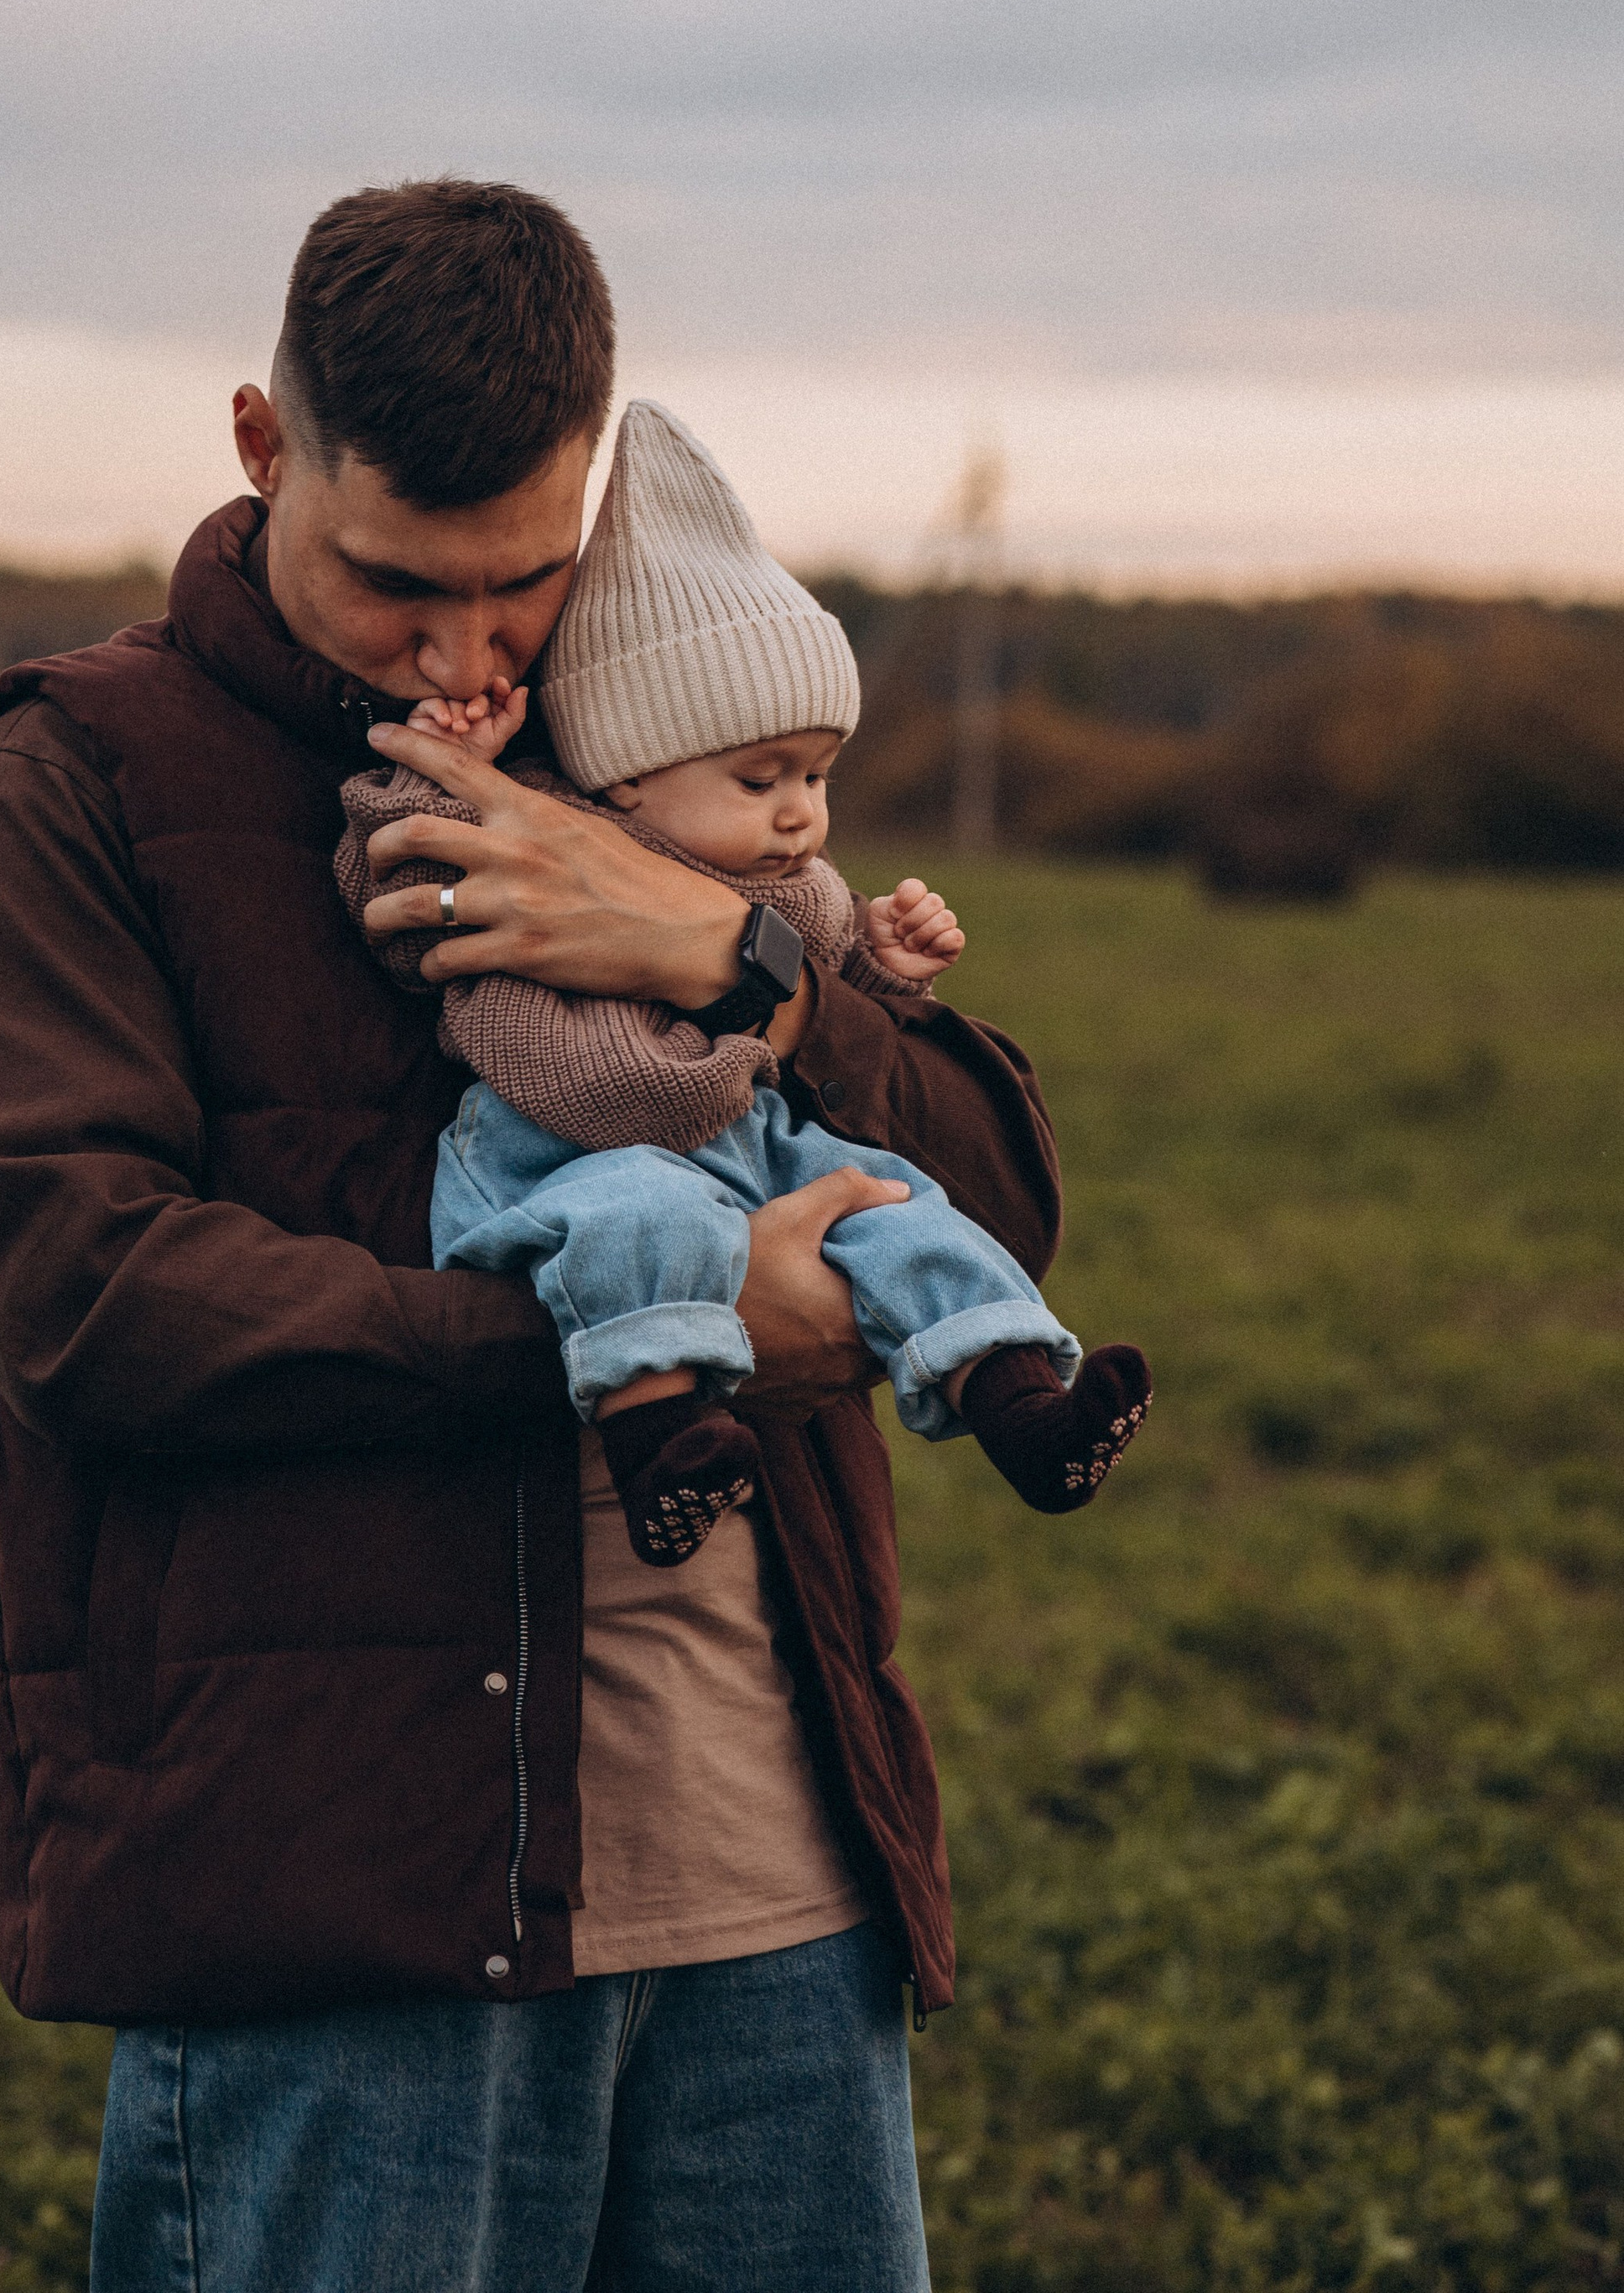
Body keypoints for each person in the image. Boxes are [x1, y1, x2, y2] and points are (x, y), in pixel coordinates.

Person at [0, 179, 1069, 2293]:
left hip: (778, 1883)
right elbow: (76, 1304)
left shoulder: (663, 743)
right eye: (392, 587)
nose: (458, 657)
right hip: (342, 1912)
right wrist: (636, 1331)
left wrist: (730, 957)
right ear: (262, 449)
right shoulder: (67, 784)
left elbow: (1007, 1190)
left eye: (517, 586)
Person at [336, 397, 1150, 1570]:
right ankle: (661, 1435)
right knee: (636, 1225)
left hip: (754, 1142)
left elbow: (838, 985)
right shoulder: (526, 827)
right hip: (560, 1148)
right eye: (761, 776)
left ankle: (1019, 1399)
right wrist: (449, 769)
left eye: (817, 776)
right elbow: (392, 877)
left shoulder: (783, 885)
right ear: (624, 773)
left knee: (896, 1206)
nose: (799, 813)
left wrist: (883, 954)